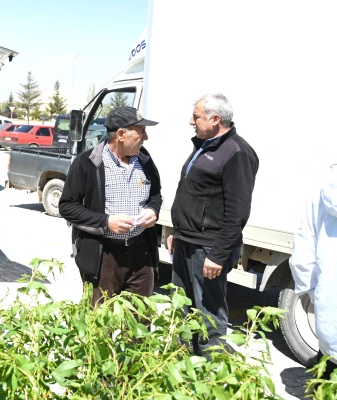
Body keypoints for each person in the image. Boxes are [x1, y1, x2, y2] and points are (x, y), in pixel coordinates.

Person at [167, 93, 258, 357]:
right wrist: (178, 232)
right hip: (187, 241)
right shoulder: (205, 146)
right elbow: (194, 194)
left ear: (215, 119)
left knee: (208, 313)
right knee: (182, 307)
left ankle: (211, 369)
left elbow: (237, 212)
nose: (190, 121)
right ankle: (182, 363)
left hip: (208, 248)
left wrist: (218, 254)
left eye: (196, 117)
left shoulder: (237, 152)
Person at [58, 106, 162, 306]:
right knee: (100, 318)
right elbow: (67, 207)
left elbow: (156, 194)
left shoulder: (145, 160)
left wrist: (153, 209)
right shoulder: (87, 163)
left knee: (139, 318)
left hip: (141, 254)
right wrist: (106, 222)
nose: (146, 137)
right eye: (141, 132)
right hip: (103, 256)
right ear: (121, 134)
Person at [290, 165, 337, 400]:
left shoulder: (323, 190)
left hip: (332, 312)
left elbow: (303, 255)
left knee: (325, 389)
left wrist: (315, 294)